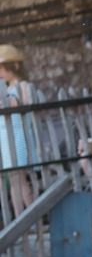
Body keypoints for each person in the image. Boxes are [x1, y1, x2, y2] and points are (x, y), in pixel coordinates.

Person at [0, 44, 36, 211]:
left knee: (21, 179)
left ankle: (32, 217)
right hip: (6, 138)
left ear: (14, 67)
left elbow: (24, 104)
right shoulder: (5, 88)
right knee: (13, 180)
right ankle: (20, 218)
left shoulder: (22, 86)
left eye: (2, 68)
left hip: (18, 136)